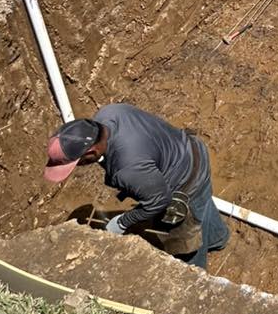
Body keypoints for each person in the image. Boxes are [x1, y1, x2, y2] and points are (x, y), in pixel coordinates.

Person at [44, 103, 230, 269]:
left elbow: (159, 201)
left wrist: (123, 222)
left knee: (185, 237)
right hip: (191, 150)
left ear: (92, 151)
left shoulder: (129, 169)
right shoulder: (109, 113)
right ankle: (218, 238)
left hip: (187, 180)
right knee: (202, 205)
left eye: (78, 162)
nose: (79, 166)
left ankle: (195, 273)